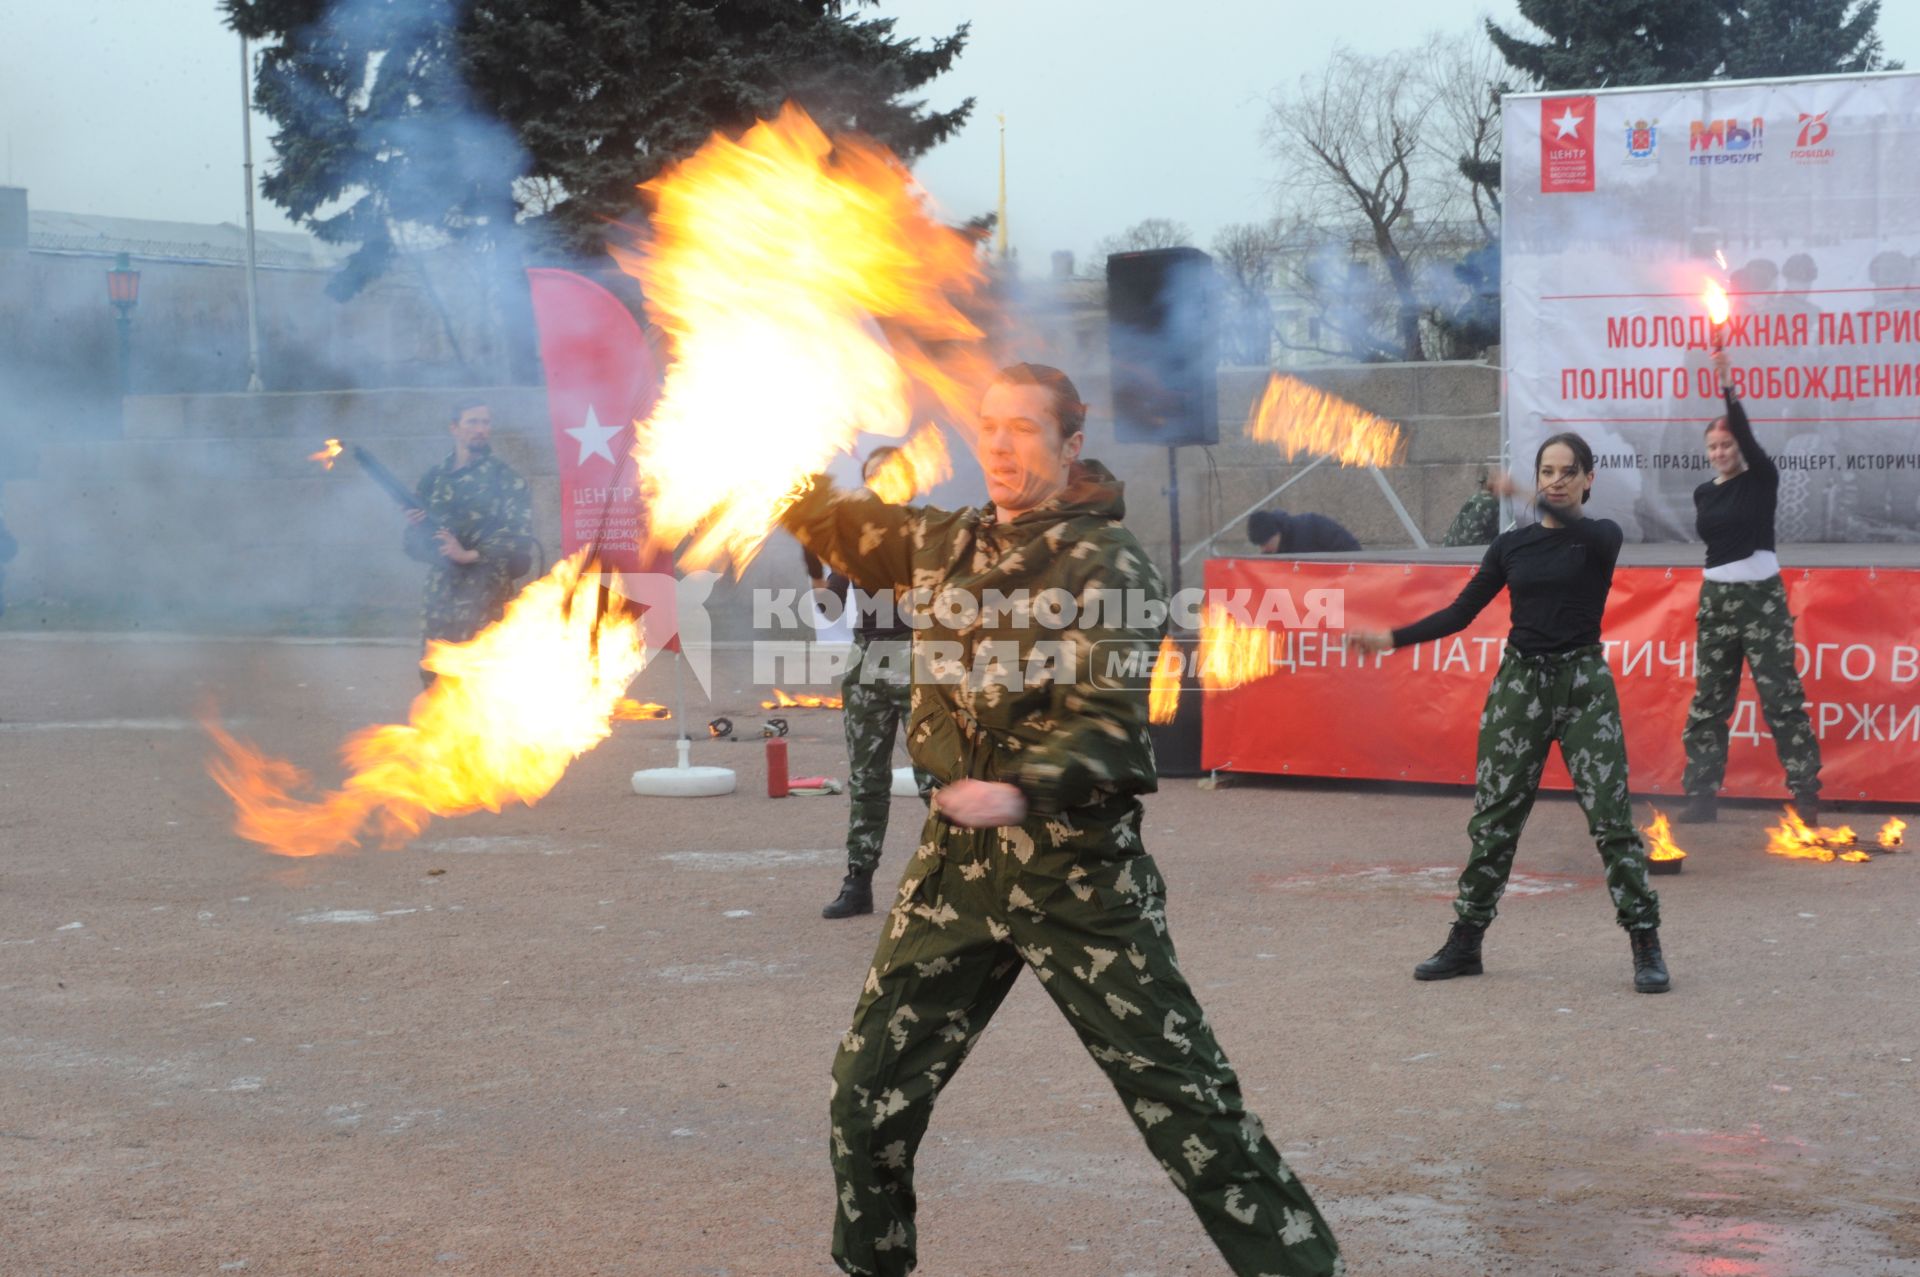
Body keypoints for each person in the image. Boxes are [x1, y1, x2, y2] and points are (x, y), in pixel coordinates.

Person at [784, 363, 1341, 1277]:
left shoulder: (1107, 564)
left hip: (1073, 870)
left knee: (1186, 1102)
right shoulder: (939, 541)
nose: (1000, 446)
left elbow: (1110, 722)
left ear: (1070, 444)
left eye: (1024, 430)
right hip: (955, 868)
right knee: (867, 1092)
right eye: (988, 426)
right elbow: (830, 521)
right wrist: (761, 455)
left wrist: (1021, 789)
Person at [1346, 432, 1670, 995]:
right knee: (1494, 822)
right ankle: (1466, 941)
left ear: (1589, 480)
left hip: (1583, 688)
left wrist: (1520, 488)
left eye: (1569, 471)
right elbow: (1458, 614)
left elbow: (1572, 523)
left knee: (1613, 823)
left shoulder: (1600, 537)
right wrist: (1390, 639)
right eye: (1548, 470)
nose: (1558, 479)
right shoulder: (1510, 547)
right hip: (1520, 687)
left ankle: (1645, 941)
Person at [1679, 349, 1822, 824]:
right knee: (1710, 700)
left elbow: (1745, 433)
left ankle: (1804, 792)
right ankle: (1701, 794)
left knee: (1780, 696)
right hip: (1716, 599)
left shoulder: (1762, 478)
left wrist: (1727, 385)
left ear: (1738, 446)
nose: (1721, 451)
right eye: (1713, 447)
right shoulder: (1705, 492)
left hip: (1761, 598)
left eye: (1727, 444)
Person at [808, 445, 935, 920]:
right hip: (866, 663)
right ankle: (858, 883)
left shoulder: (928, 532)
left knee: (933, 778)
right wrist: (816, 564)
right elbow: (830, 606)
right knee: (866, 779)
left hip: (917, 659)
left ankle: (945, 882)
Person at [405, 400, 534, 685]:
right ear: (454, 428)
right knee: (434, 667)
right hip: (441, 591)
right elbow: (411, 544)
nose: (481, 429)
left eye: (485, 422)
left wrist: (468, 555)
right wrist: (419, 529)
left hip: (485, 589)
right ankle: (439, 727)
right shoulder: (434, 479)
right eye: (472, 422)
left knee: (482, 670)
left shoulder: (506, 479)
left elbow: (518, 536)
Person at [1439, 468, 1518, 547]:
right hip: (1461, 552)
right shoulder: (1488, 503)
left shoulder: (1483, 498)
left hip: (1454, 550)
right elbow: (1470, 537)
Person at [1247, 506, 1360, 554]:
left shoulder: (1312, 525)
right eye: (1260, 545)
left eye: (1265, 543)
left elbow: (1350, 548)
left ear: (1276, 534)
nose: (1263, 549)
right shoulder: (1271, 553)